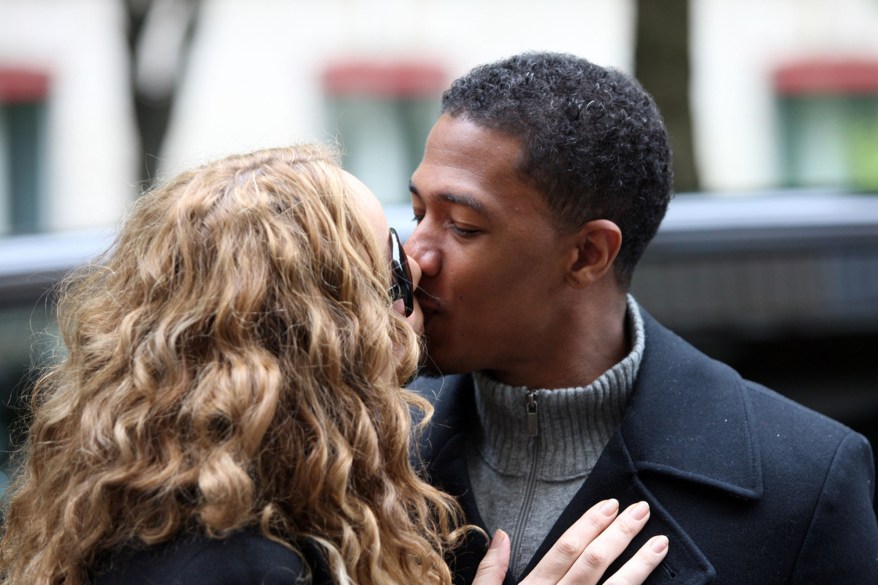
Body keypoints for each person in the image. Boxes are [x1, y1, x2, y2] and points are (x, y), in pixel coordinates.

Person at [0, 144, 669, 585]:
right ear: (327, 333)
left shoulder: (175, 512)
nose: (425, 271)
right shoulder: (232, 563)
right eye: (395, 272)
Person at [405, 51, 878, 584]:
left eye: (463, 225)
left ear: (588, 254)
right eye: (418, 213)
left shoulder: (806, 481)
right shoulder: (360, 448)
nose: (414, 257)